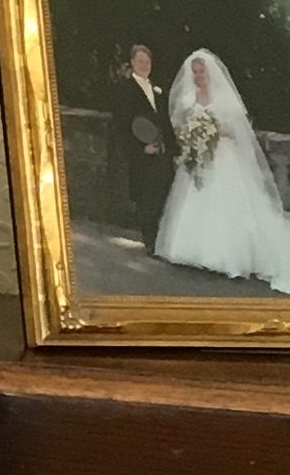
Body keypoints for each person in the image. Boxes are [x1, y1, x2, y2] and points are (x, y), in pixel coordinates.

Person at [154, 47, 290, 291]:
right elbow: (181, 127)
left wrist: (214, 130)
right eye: (194, 72)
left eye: (201, 71)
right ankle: (191, 250)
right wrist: (193, 138)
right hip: (199, 159)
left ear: (209, 71)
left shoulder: (225, 98)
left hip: (224, 158)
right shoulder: (188, 98)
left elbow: (238, 132)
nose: (198, 76)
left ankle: (228, 254)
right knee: (195, 199)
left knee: (226, 203)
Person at [105, 40, 173, 249]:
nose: (144, 65)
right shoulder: (125, 90)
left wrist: (172, 149)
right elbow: (122, 124)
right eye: (140, 61)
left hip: (161, 154)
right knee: (147, 202)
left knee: (162, 198)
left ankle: (161, 241)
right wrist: (140, 148)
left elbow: (165, 123)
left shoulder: (157, 89)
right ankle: (151, 243)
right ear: (133, 63)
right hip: (142, 156)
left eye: (147, 61)